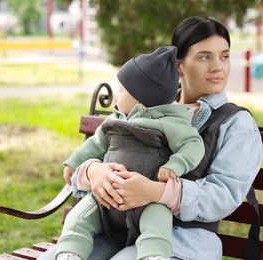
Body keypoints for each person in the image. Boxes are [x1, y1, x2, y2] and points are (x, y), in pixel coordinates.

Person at [39, 15, 263, 260]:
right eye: (204, 56)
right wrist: (94, 172)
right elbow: (102, 147)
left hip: (184, 241)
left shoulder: (237, 124)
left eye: (225, 56)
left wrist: (156, 192)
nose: (218, 66)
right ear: (179, 66)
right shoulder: (144, 102)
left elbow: (223, 195)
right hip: (118, 229)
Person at [55, 46, 205, 260]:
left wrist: (175, 165)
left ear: (141, 98)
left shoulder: (169, 121)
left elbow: (193, 144)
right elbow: (94, 145)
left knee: (157, 223)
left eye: (122, 90)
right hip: (105, 198)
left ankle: (153, 256)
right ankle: (70, 253)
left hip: (148, 199)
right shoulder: (114, 120)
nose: (118, 95)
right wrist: (74, 162)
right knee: (78, 219)